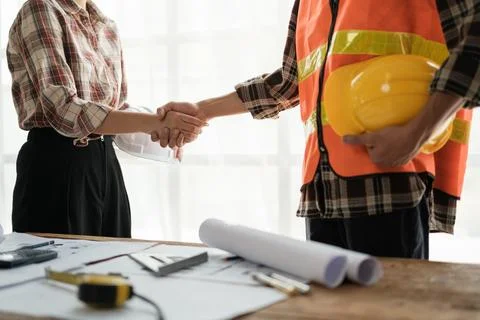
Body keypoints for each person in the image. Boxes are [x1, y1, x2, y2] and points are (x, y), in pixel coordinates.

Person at [155, 0, 479, 259]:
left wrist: (416, 133)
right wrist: (202, 111)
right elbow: (287, 83)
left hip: (387, 181)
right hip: (321, 193)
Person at [7, 0, 205, 237]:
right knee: (59, 270)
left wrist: (166, 129)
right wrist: (158, 122)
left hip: (106, 164)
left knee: (115, 265)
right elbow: (63, 108)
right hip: (57, 166)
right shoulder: (41, 8)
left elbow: (115, 107)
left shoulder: (106, 26)